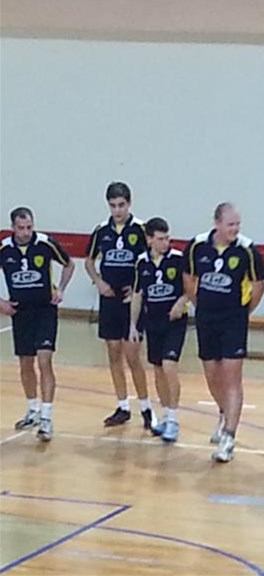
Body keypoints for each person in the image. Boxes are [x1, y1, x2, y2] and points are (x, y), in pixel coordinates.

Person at [184, 202, 264, 462]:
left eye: (238, 224)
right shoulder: (197, 246)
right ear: (217, 223)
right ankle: (224, 412)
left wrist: (243, 312)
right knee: (212, 374)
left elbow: (259, 285)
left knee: (232, 377)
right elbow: (188, 279)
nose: (235, 229)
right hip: (206, 318)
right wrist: (199, 304)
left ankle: (229, 437)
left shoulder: (247, 250)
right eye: (231, 224)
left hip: (233, 320)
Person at [0, 207, 75, 441]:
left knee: (44, 360)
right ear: (13, 227)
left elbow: (69, 264)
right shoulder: (4, 248)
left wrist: (60, 289)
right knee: (25, 363)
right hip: (20, 312)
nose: (25, 232)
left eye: (29, 227)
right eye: (21, 228)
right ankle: (32, 409)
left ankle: (46, 417)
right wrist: (1, 303)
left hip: (45, 310)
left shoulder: (45, 243)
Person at [85, 182, 153, 427]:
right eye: (113, 205)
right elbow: (89, 261)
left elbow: (151, 262)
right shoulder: (101, 230)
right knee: (113, 353)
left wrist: (137, 289)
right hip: (109, 300)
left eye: (121, 205)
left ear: (129, 203)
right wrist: (99, 281)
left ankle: (146, 408)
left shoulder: (141, 229)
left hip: (131, 302)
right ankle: (123, 406)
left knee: (133, 355)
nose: (117, 210)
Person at [129, 217, 189, 443]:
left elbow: (191, 286)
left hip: (174, 321)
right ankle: (165, 415)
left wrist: (181, 301)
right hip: (152, 321)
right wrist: (133, 325)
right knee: (158, 369)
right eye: (161, 239)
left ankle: (173, 420)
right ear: (149, 240)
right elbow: (138, 294)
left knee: (169, 365)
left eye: (167, 238)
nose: (166, 243)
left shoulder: (178, 259)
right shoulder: (141, 262)